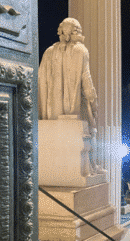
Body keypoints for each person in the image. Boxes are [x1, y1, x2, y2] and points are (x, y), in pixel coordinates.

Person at [38, 17, 104, 175]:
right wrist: (93, 101)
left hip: (52, 113)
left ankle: (57, 169)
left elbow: (40, 80)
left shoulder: (48, 52)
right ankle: (90, 165)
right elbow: (86, 79)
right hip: (75, 110)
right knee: (91, 129)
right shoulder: (81, 50)